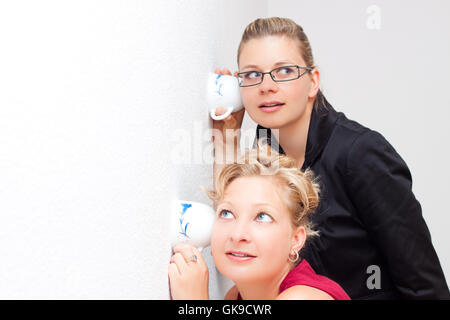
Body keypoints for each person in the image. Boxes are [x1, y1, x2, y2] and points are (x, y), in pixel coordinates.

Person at [212, 17, 449, 299]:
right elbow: (235, 224)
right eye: (252, 75)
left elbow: (426, 287)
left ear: (313, 82)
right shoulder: (266, 148)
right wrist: (227, 138)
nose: (266, 86)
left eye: (285, 71)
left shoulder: (360, 154)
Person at [168, 145, 350, 300]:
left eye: (262, 217)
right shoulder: (235, 296)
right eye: (227, 213)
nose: (237, 234)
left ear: (296, 240)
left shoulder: (303, 297)